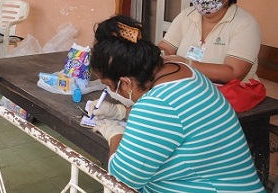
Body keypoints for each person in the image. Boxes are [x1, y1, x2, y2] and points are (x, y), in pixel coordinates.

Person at [87, 15, 264, 192]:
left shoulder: (156, 105)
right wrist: (121, 112)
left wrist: (114, 133)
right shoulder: (183, 71)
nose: (113, 92)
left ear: (126, 82)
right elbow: (176, 117)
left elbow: (122, 180)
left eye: (110, 86)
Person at [158, 0, 261, 84]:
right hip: (187, 87)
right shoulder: (187, 15)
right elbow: (165, 47)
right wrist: (161, 55)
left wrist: (186, 64)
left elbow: (234, 73)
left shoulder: (245, 24)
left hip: (229, 94)